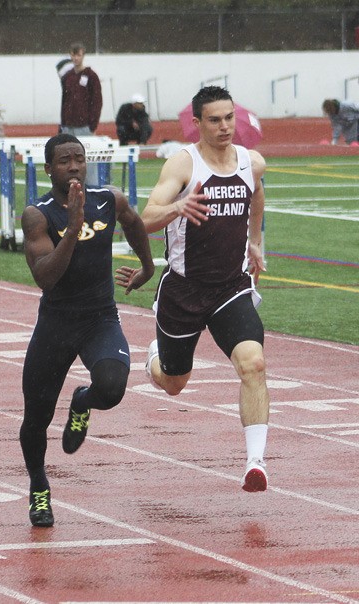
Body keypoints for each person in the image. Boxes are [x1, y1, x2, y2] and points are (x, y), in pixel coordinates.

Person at [20, 133, 155, 528]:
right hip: (57, 324)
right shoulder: (38, 215)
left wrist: (147, 268)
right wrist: (74, 227)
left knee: (112, 389)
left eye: (79, 158)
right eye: (64, 161)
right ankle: (39, 487)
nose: (74, 166)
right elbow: (45, 277)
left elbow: (133, 222)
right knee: (36, 419)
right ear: (49, 169)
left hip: (100, 318)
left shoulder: (108, 199)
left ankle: (82, 400)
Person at [141, 86, 270, 493]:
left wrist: (255, 241)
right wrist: (176, 207)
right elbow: (144, 218)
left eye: (229, 117)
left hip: (231, 287)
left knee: (253, 363)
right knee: (175, 382)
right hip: (183, 290)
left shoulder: (252, 163)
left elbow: (257, 197)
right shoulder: (184, 165)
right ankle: (154, 359)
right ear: (197, 123)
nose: (224, 126)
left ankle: (255, 462)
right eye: (214, 119)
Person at [60, 42, 103, 184]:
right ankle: (70, 189)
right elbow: (64, 101)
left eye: (78, 55)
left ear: (83, 55)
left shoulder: (91, 76)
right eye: (73, 54)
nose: (76, 58)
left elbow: (97, 101)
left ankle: (91, 190)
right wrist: (63, 122)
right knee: (67, 161)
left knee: (88, 161)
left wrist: (92, 125)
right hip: (68, 126)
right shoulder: (67, 77)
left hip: (84, 126)